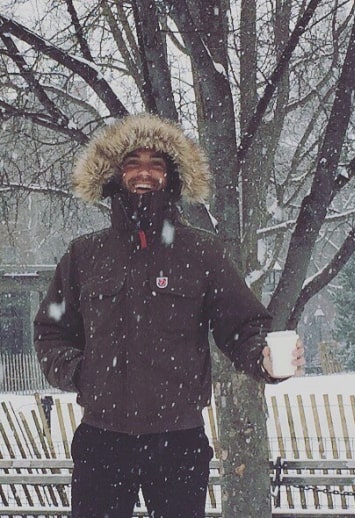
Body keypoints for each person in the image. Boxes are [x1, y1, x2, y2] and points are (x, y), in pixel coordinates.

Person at [33, 113, 305, 518]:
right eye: (133, 163)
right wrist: (80, 373)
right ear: (114, 173)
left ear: (172, 176)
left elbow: (244, 326)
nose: (145, 173)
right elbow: (51, 332)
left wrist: (264, 358)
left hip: (178, 441)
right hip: (103, 439)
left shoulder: (201, 253)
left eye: (156, 164)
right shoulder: (85, 255)